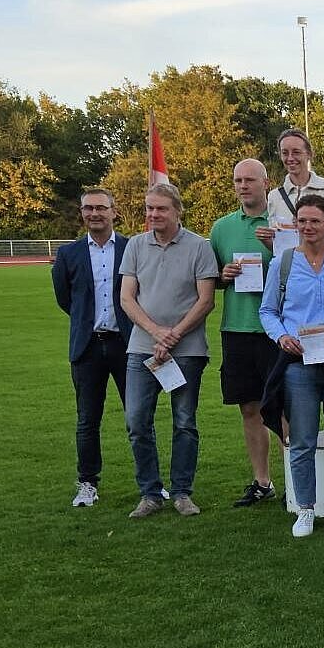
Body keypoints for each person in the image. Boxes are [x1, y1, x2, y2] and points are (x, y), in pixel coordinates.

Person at [259, 195, 324, 538]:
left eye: (315, 221)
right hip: (298, 363)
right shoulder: (283, 263)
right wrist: (281, 337)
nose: (308, 227)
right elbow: (268, 311)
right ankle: (305, 508)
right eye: (302, 221)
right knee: (300, 439)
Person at [118, 182, 218, 518]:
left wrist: (173, 335)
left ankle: (182, 492)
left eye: (161, 208)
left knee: (185, 422)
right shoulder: (135, 245)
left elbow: (206, 300)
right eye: (149, 208)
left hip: (187, 350)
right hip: (142, 348)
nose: (153, 214)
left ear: (177, 211)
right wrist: (156, 332)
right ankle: (149, 492)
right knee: (136, 421)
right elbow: (127, 298)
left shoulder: (199, 247)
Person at [212, 158, 286, 509]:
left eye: (250, 180)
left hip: (276, 331)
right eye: (238, 180)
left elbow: (299, 272)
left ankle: (299, 482)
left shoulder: (282, 224)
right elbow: (209, 280)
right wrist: (223, 275)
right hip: (237, 328)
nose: (243, 186)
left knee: (285, 409)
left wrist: (277, 247)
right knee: (249, 408)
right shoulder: (221, 228)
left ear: (266, 183)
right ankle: (262, 481)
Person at [51, 187, 130, 507]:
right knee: (87, 420)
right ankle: (87, 483)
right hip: (87, 347)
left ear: (113, 211)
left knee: (138, 418)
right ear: (81, 213)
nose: (94, 214)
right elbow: (65, 299)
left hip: (126, 345)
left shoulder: (131, 248)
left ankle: (150, 483)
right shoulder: (68, 254)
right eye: (88, 209)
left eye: (100, 208)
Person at [267, 128, 324, 251]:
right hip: (291, 267)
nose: (290, 158)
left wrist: (313, 232)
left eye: (296, 152)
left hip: (323, 267)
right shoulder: (274, 196)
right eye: (285, 153)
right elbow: (277, 246)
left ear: (309, 154)